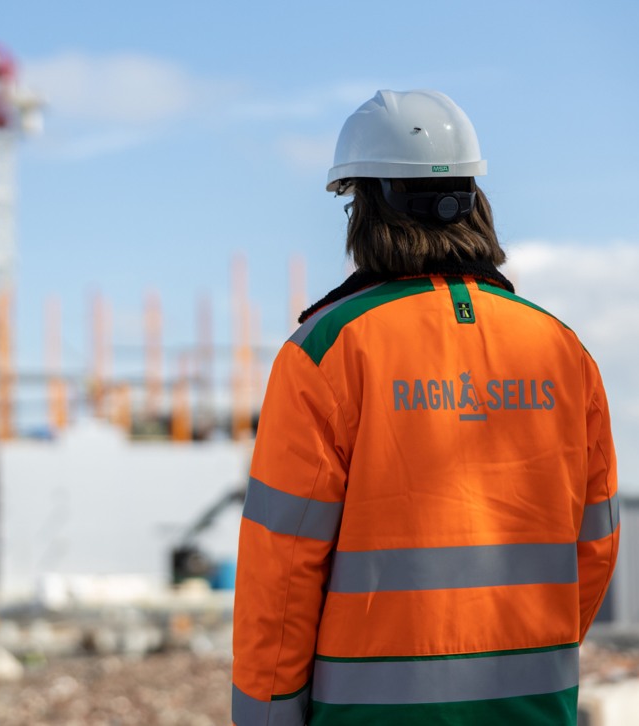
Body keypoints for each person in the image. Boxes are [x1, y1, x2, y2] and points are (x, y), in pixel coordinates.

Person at [231, 90, 618, 725]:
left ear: (368, 207)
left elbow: (283, 562)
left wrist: (265, 716)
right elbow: (595, 545)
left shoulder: (326, 351)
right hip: (531, 706)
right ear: (473, 202)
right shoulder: (562, 351)